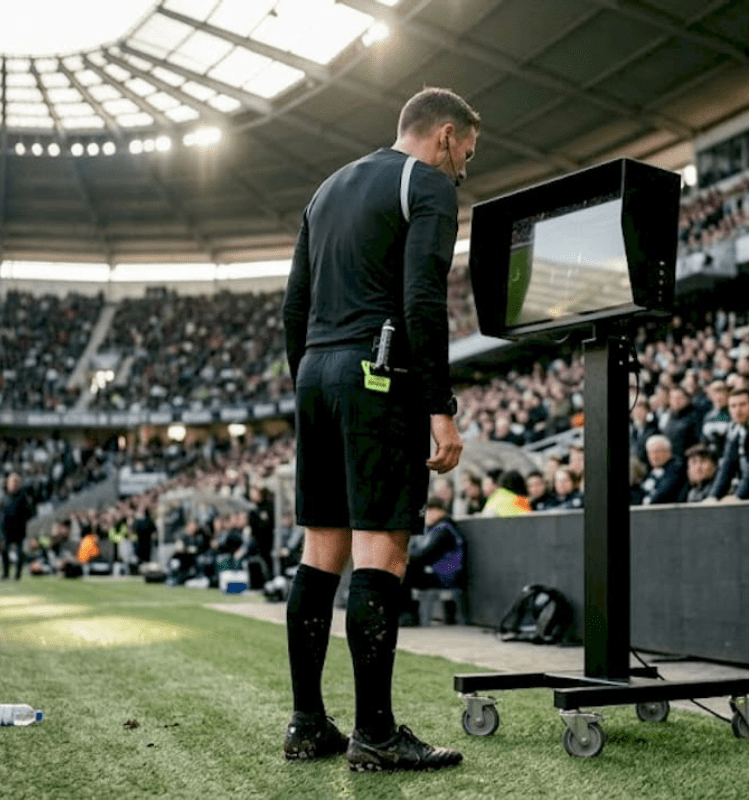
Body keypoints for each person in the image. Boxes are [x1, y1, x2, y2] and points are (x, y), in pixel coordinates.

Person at [279, 86, 476, 772]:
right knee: (381, 553)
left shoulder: (327, 189)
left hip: (315, 373)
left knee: (319, 552)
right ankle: (377, 734)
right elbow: (424, 300)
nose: (461, 172)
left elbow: (293, 304)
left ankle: (307, 725)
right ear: (445, 135)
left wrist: (310, 381)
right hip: (377, 374)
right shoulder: (426, 185)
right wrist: (440, 407)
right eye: (466, 157)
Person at [401, 496, 466, 626]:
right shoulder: (429, 530)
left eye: (428, 511)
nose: (425, 516)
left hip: (444, 576)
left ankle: (408, 615)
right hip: (431, 573)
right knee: (401, 569)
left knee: (404, 570)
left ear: (439, 511)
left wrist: (403, 557)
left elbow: (424, 555)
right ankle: (404, 613)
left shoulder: (445, 530)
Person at [0, 472, 35, 581]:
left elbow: (30, 513)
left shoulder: (23, 498)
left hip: (19, 529)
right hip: (6, 529)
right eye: (12, 482)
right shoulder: (3, 496)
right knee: (4, 551)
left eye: (16, 482)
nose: (14, 485)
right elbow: (0, 512)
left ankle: (18, 574)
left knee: (20, 552)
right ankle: (5, 573)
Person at [638, 434, 685, 505]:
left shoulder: (675, 469)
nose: (654, 456)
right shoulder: (649, 472)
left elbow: (664, 493)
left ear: (669, 452)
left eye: (657, 451)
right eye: (651, 452)